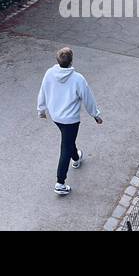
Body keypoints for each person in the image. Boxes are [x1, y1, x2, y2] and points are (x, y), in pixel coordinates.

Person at [37, 46, 103, 197]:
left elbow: (42, 92)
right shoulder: (78, 79)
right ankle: (60, 183)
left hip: (56, 117)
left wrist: (41, 110)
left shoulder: (49, 73)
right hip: (71, 120)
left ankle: (76, 157)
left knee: (68, 141)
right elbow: (88, 98)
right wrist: (95, 115)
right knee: (65, 146)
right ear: (71, 61)